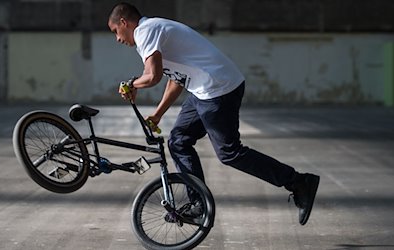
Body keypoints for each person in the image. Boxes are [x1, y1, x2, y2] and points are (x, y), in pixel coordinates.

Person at [108, 2, 320, 225]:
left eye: (115, 31)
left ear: (124, 22)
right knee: (178, 141)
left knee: (229, 152)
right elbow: (176, 78)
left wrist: (131, 83)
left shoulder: (145, 30)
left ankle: (298, 182)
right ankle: (199, 203)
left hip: (218, 89)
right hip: (205, 90)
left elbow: (153, 75)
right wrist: (159, 113)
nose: (117, 38)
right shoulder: (153, 32)